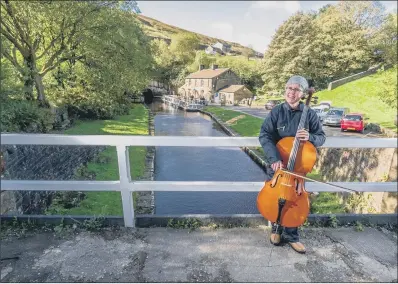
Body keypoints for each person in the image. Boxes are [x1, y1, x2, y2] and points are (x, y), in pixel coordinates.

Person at [259, 75, 326, 254]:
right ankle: (276, 230)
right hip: (278, 166)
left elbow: (321, 138)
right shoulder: (277, 112)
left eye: (296, 89)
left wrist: (310, 137)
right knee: (276, 198)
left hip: (297, 169)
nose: (291, 92)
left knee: (293, 200)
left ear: (303, 94)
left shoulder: (309, 114)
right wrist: (274, 159)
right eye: (289, 88)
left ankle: (293, 236)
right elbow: (265, 135)